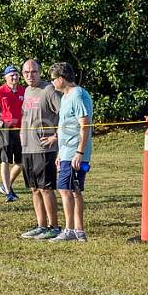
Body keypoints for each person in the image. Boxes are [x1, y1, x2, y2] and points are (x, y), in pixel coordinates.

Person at [18, 59, 62, 240]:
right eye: (26, 72)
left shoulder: (49, 90)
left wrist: (55, 136)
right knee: (34, 188)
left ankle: (54, 226)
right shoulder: (27, 91)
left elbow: (66, 113)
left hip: (45, 149)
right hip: (28, 148)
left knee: (46, 188)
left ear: (40, 72)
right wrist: (22, 134)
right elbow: (24, 116)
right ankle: (41, 225)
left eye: (33, 72)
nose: (30, 75)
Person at [51, 63, 92, 242]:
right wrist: (61, 152)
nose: (52, 83)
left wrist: (79, 152)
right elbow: (65, 126)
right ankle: (77, 230)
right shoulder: (66, 97)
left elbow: (85, 125)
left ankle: (71, 229)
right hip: (66, 152)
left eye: (53, 79)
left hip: (75, 152)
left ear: (61, 78)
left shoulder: (78, 95)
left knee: (66, 189)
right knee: (71, 189)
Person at [0, 65, 26, 202]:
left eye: (16, 75)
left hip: (21, 130)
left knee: (21, 162)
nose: (14, 77)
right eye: (11, 75)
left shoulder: (24, 90)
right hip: (5, 129)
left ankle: (5, 185)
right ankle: (8, 192)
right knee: (6, 160)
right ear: (5, 77)